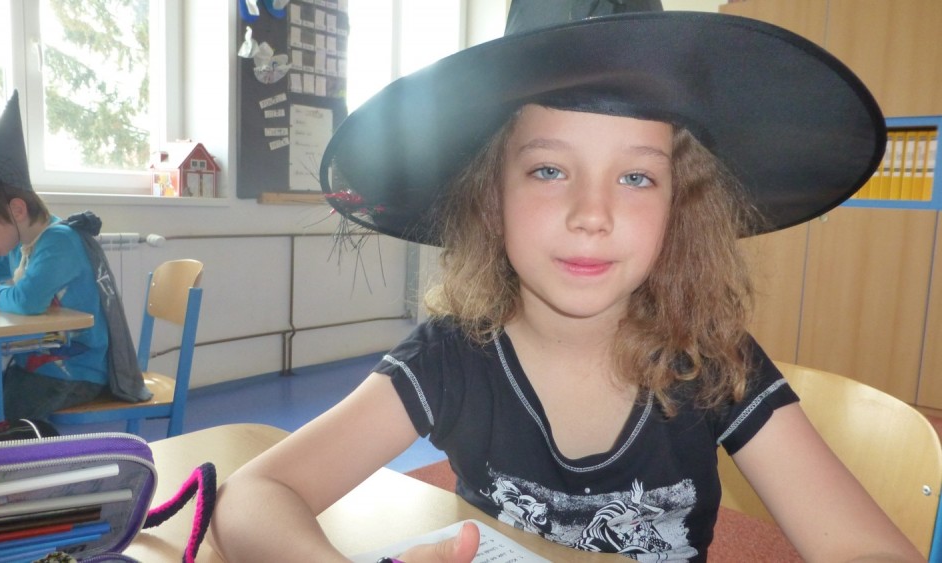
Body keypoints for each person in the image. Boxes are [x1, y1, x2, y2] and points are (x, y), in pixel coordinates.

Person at [210, 4, 923, 562]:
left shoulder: (709, 362)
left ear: (679, 207)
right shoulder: (451, 358)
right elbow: (254, 493)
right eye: (549, 170)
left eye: (636, 176)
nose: (591, 214)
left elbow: (870, 548)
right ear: (492, 197)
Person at [0, 91, 113, 421]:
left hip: (75, 372)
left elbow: (27, 301)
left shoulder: (59, 242)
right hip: (32, 367)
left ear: (17, 210)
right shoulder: (17, 245)